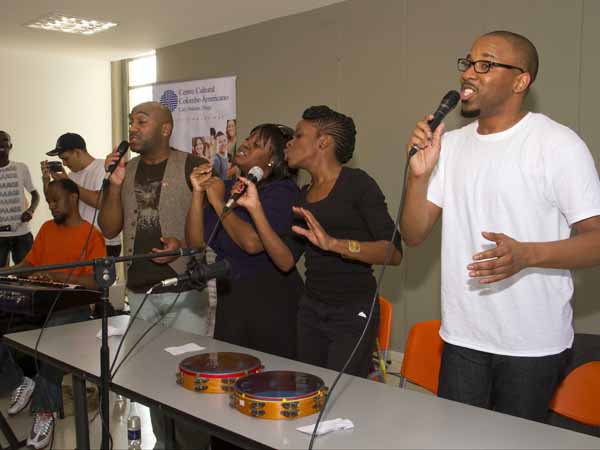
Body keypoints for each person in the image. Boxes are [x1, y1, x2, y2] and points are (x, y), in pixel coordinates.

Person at [400, 31, 600, 423]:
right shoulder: (450, 146)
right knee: (456, 440)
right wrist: (418, 177)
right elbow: (413, 234)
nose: (468, 73)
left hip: (532, 344)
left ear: (520, 81)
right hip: (462, 335)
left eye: (485, 65)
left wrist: (528, 254)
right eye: (468, 63)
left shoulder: (557, 144)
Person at [238, 106, 403, 378]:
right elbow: (285, 260)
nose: (289, 143)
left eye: (299, 135)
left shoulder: (357, 184)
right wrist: (255, 210)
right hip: (311, 311)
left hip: (352, 311)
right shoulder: (303, 195)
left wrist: (334, 244)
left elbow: (393, 252)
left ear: (323, 142)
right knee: (310, 388)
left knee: (341, 396)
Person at [98, 101, 212, 450]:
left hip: (183, 291)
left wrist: (181, 247)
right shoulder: (126, 170)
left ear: (165, 129)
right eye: (131, 121)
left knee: (189, 379)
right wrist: (114, 185)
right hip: (140, 291)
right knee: (154, 380)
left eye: (141, 122)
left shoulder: (193, 166)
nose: (133, 128)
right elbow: (109, 228)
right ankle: (164, 443)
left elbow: (207, 235)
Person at [0, 178, 106, 449]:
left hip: (73, 309)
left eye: (56, 200)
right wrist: (4, 272)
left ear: (73, 198)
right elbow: (28, 264)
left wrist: (58, 276)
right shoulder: (47, 229)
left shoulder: (91, 235)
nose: (52, 206)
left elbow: (97, 283)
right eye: (48, 201)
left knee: (53, 344)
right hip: (39, 304)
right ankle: (19, 381)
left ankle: (44, 412)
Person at [186, 123, 303, 359]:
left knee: (270, 376)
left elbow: (252, 243)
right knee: (230, 371)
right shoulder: (229, 187)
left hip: (271, 306)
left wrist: (218, 202)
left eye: (256, 144)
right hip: (231, 301)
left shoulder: (283, 192)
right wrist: (198, 193)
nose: (245, 144)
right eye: (248, 138)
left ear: (272, 161)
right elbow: (195, 243)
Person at [41, 132, 122, 257]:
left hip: (104, 241)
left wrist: (70, 183)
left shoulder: (103, 168)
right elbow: (54, 203)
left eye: (66, 158)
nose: (64, 164)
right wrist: (46, 181)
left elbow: (101, 201)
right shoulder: (71, 175)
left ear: (77, 153)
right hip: (79, 239)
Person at [0, 130, 40, 267]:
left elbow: (35, 194)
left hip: (22, 233)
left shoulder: (21, 168)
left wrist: (30, 211)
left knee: (26, 274)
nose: (1, 143)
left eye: (5, 140)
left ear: (10, 145)